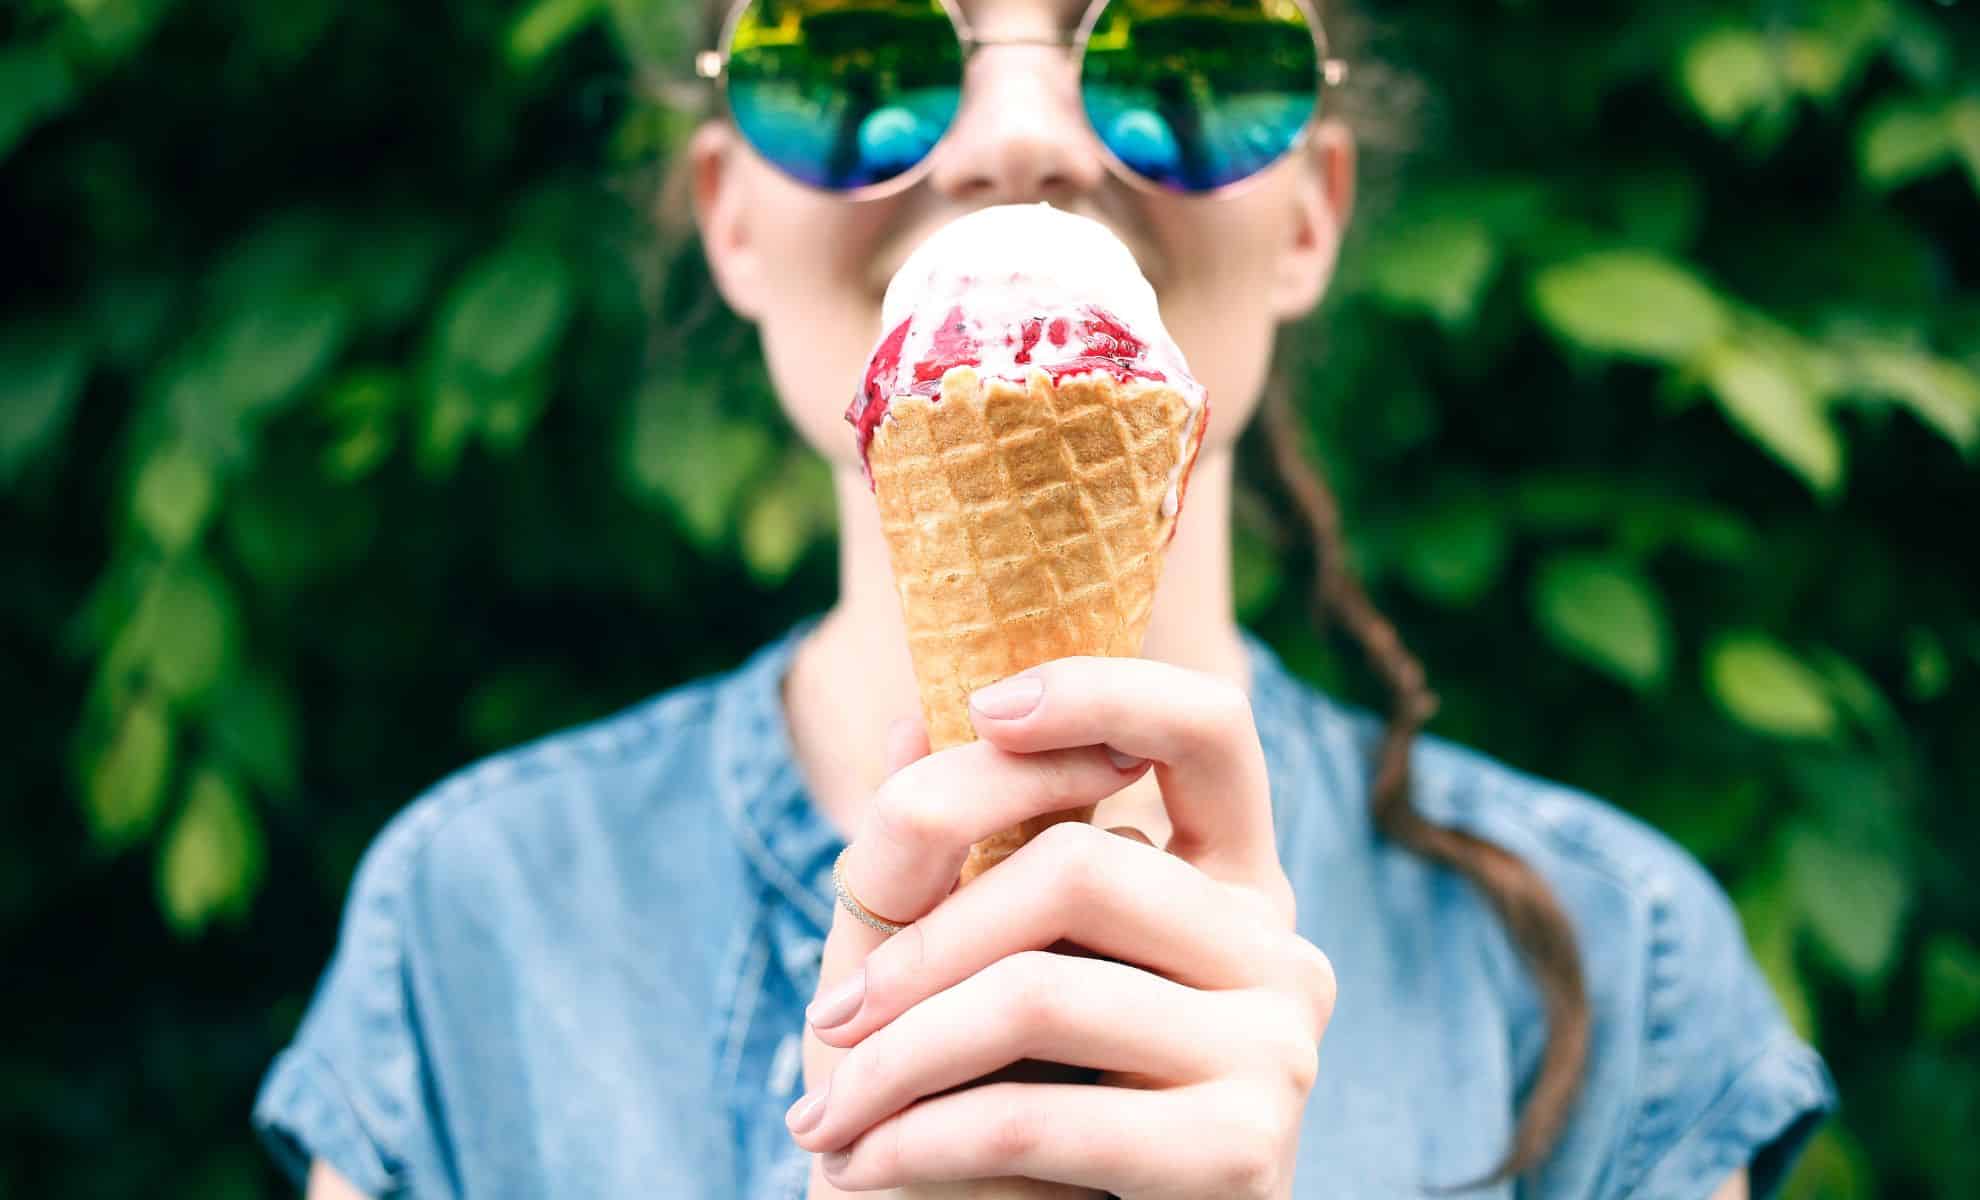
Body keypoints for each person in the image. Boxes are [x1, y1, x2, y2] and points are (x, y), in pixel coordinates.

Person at [254, 1, 1836, 1196]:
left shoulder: (1607, 963)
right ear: (732, 213)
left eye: (1179, 47)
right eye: (859, 51)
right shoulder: (476, 926)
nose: (1023, 135)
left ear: (1312, 213)